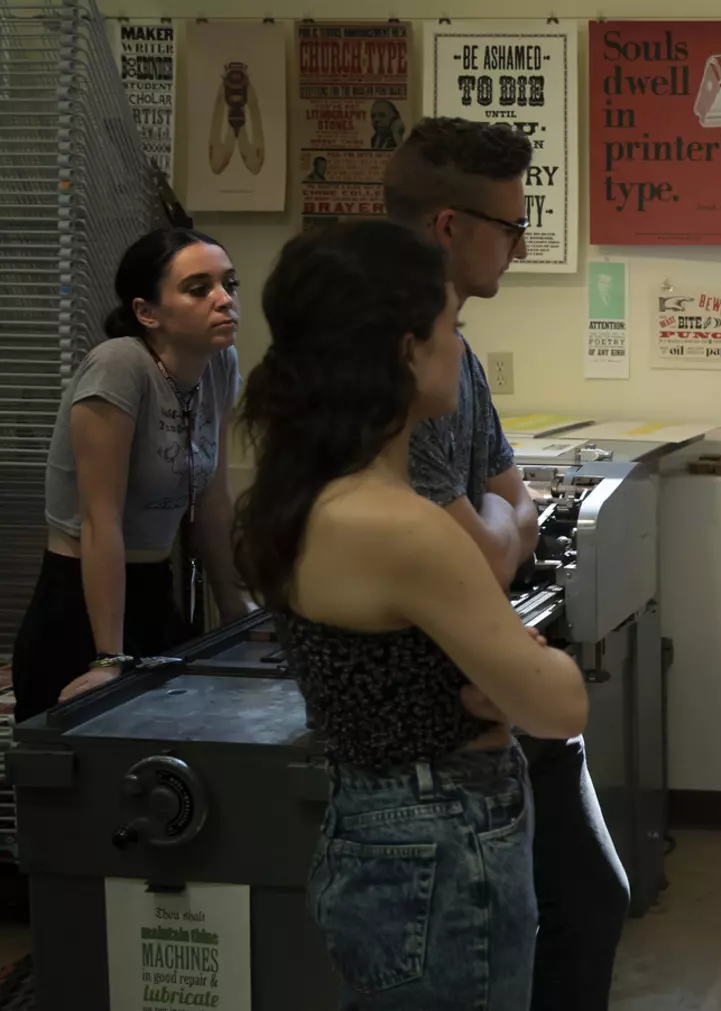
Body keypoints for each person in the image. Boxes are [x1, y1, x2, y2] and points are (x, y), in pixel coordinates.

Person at [236, 218, 589, 1009]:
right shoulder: (406, 528)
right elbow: (560, 703)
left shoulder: (299, 495)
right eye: (451, 328)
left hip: (367, 826)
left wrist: (497, 664)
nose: (460, 349)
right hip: (442, 840)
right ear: (405, 350)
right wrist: (525, 664)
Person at [383, 116, 631, 1010]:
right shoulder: (393, 366)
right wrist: (499, 526)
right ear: (449, 225)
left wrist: (500, 525)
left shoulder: (461, 357)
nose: (521, 248)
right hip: (441, 722)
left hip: (502, 687)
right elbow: (481, 550)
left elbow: (511, 507)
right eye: (512, 227)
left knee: (590, 900)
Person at [11, 228, 252, 723]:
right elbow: (101, 519)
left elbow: (213, 499)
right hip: (80, 601)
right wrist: (108, 657)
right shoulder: (120, 365)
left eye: (229, 283)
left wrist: (237, 607)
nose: (224, 300)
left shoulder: (219, 364)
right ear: (148, 313)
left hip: (153, 591)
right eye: (198, 288)